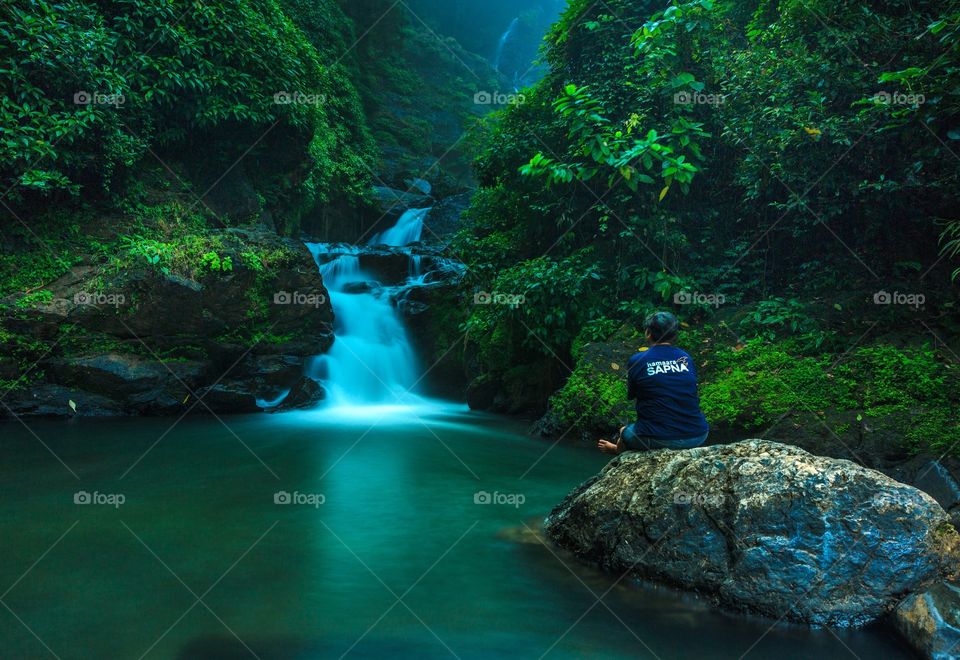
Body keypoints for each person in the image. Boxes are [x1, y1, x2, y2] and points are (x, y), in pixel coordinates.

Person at [598, 311, 710, 455]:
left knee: (624, 431)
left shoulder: (638, 360)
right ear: (674, 335)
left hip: (659, 438)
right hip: (698, 435)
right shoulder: (685, 358)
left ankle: (616, 450)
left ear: (648, 333)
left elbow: (632, 395)